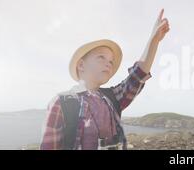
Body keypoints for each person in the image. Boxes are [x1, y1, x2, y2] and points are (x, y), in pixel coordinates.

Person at [40, 9, 170, 150]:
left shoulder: (113, 97)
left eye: (111, 61)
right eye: (101, 57)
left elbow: (138, 76)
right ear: (81, 65)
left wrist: (154, 40)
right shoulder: (61, 103)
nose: (109, 63)